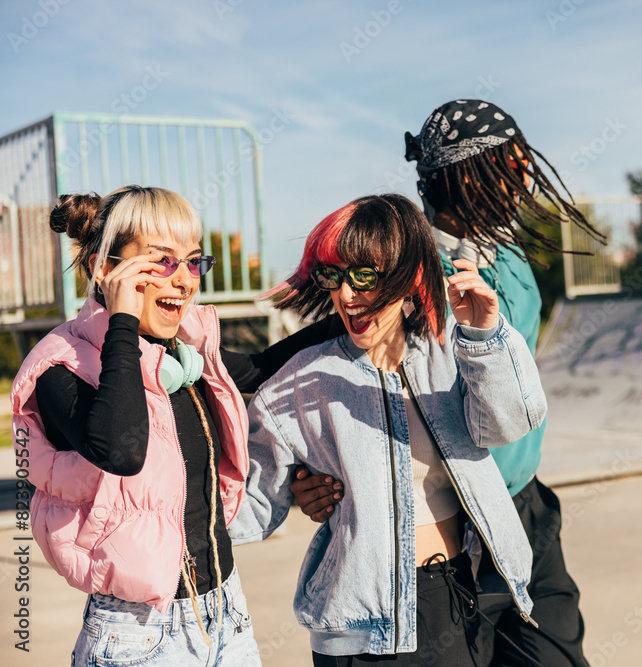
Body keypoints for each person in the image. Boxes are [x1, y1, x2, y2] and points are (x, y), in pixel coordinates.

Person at [291, 99, 600, 667]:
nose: (526, 176)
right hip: (449, 533)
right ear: (464, 177)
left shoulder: (509, 259)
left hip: (523, 509)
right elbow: (327, 363)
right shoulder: (402, 267)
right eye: (510, 164)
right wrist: (304, 473)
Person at [10, 185, 342, 666]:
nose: (184, 280)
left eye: (192, 262)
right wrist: (121, 320)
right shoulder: (63, 369)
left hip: (226, 615)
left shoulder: (184, 357)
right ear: (105, 270)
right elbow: (121, 449)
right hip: (138, 634)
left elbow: (257, 365)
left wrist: (358, 313)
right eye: (161, 262)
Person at [228, 193, 545, 666]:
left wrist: (484, 334)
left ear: (407, 275)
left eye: (364, 277)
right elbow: (248, 509)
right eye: (333, 275)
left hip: (458, 600)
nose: (346, 295)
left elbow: (509, 422)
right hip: (359, 629)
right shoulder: (297, 384)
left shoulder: (451, 353)